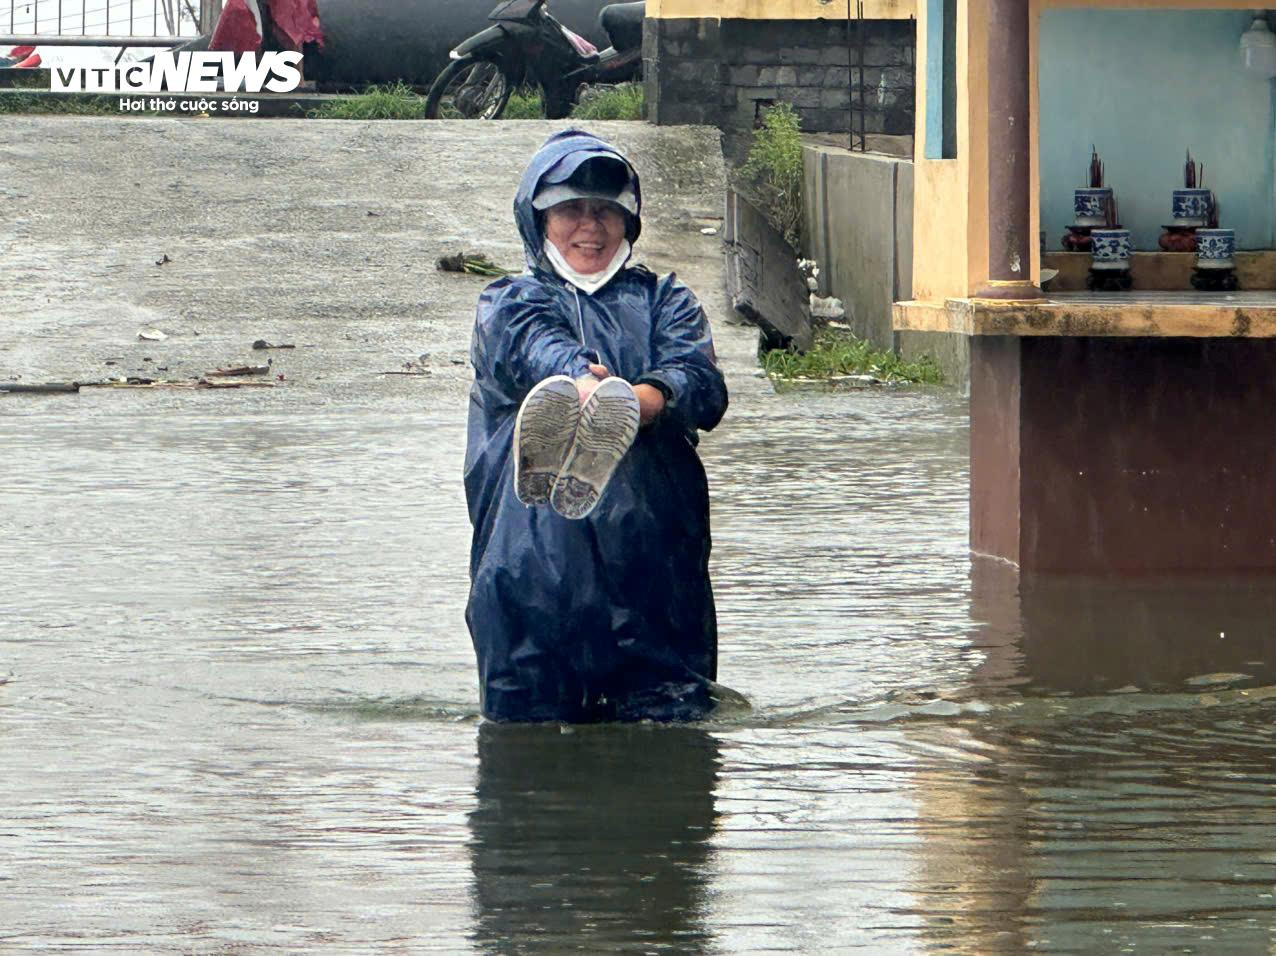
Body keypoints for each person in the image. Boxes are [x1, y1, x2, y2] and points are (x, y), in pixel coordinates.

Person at [463, 129, 728, 723]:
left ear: (628, 222)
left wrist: (644, 399)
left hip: (656, 582)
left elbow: (703, 386)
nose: (591, 226)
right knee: (525, 770)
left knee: (671, 762)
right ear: (539, 220)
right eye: (571, 210)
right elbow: (528, 346)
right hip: (531, 580)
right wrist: (580, 382)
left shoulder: (667, 300)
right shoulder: (507, 301)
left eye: (606, 210)